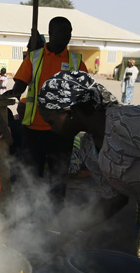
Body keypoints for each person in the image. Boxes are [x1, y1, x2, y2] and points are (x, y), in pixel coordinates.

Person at [38, 71, 140, 268]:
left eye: (51, 122)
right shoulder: (88, 146)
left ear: (70, 112)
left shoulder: (129, 123)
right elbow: (115, 197)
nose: (51, 129)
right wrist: (74, 228)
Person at [6, 16, 88, 205]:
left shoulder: (75, 61)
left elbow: (85, 91)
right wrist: (10, 94)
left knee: (58, 176)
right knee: (31, 176)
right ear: (50, 33)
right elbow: (19, 86)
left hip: (63, 130)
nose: (66, 36)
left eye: (69, 32)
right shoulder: (34, 58)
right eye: (62, 32)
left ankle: (54, 216)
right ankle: (30, 213)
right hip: (34, 129)